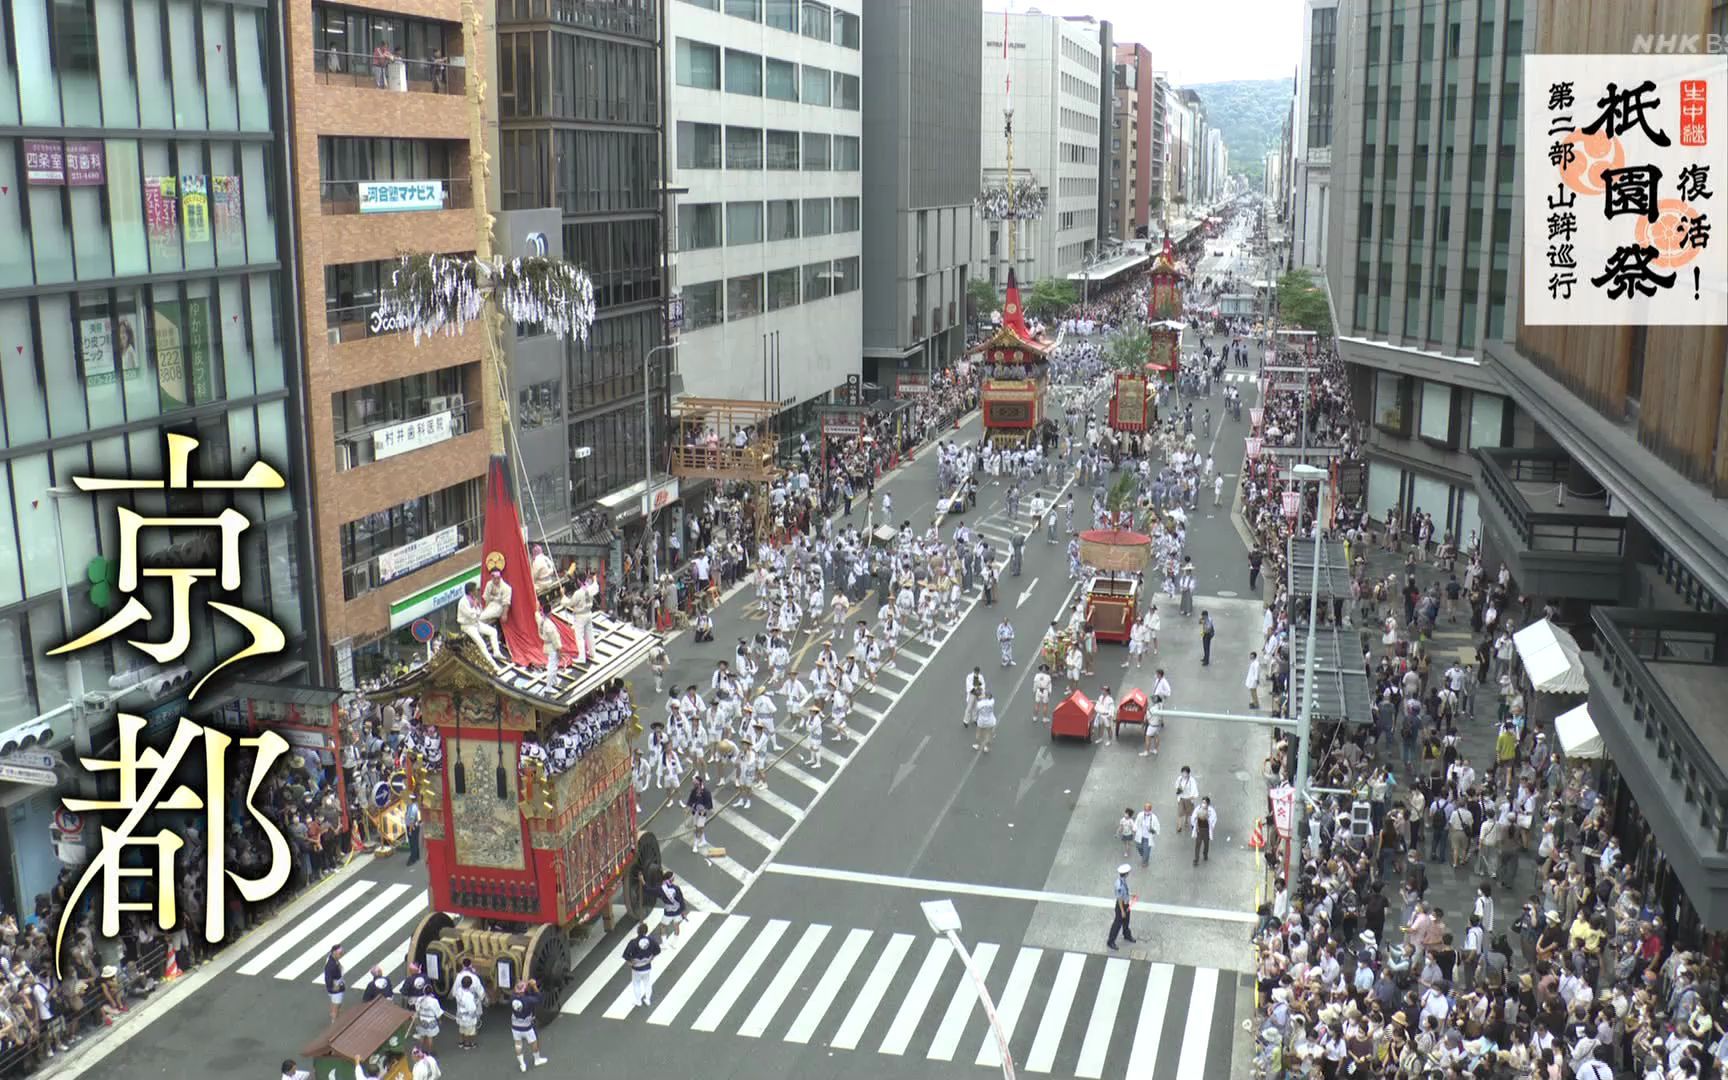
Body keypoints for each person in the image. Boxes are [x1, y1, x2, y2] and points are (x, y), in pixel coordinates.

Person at [458, 581, 506, 667]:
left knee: (493, 631)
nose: (477, 591)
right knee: (482, 643)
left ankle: (496, 652)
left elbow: (479, 612)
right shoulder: (463, 602)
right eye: (475, 590)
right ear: (471, 591)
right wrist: (476, 610)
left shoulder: (474, 599)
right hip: (467, 626)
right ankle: (493, 665)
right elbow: (471, 615)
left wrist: (476, 609)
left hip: (476, 623)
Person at [508, 979, 548, 1072]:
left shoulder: (512, 998)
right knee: (533, 1043)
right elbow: (539, 998)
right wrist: (534, 986)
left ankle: (522, 1064)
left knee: (518, 1045)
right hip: (527, 1026)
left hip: (515, 1026)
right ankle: (537, 1059)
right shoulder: (528, 1000)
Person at [622, 923, 661, 1009]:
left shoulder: (633, 942)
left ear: (638, 931)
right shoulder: (651, 940)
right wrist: (651, 958)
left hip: (636, 968)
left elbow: (626, 955)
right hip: (647, 966)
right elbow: (658, 950)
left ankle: (638, 1001)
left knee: (636, 984)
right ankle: (648, 999)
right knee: (647, 983)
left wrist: (630, 962)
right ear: (646, 931)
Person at [1107, 864, 1136, 950]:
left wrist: (1130, 895)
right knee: (1117, 924)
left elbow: (1124, 893)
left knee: (1126, 921)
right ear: (1126, 874)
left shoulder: (1122, 881)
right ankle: (1111, 941)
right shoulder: (1119, 884)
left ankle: (1127, 935)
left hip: (1126, 903)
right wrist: (1122, 911)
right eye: (1128, 873)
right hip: (1121, 906)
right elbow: (1119, 898)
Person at [659, 870, 688, 950]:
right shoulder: (676, 888)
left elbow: (652, 891)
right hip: (677, 912)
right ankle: (674, 943)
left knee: (662, 926)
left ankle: (664, 943)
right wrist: (683, 912)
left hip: (668, 913)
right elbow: (681, 901)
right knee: (676, 925)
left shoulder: (662, 888)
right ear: (672, 879)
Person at [685, 773, 713, 854]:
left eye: (695, 783)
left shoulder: (706, 792)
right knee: (697, 827)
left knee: (698, 828)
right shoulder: (694, 790)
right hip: (695, 812)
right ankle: (703, 840)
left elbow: (708, 804)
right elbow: (691, 800)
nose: (694, 785)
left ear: (699, 783)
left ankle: (695, 845)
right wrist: (688, 809)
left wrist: (704, 810)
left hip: (702, 814)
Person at [1191, 795, 1217, 865]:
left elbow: (1214, 819)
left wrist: (1208, 819)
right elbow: (1193, 817)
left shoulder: (1211, 811)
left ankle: (1205, 854)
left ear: (1208, 804)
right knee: (1197, 845)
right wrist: (1193, 825)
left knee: (1206, 844)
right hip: (1199, 830)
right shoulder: (1198, 809)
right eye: (1202, 802)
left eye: (1205, 802)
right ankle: (1196, 859)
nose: (1203, 804)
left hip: (1206, 831)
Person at [323, 944, 345, 1023]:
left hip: (335, 986)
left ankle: (333, 1013)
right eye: (340, 953)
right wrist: (333, 986)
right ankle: (334, 1021)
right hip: (336, 989)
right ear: (334, 952)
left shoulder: (331, 958)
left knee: (334, 1003)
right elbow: (328, 978)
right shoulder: (331, 965)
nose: (341, 955)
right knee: (337, 1004)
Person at [1133, 803, 1160, 867]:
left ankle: (1145, 861)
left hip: (1148, 837)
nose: (1146, 812)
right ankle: (1144, 855)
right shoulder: (1140, 815)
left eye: (1148, 810)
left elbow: (1157, 826)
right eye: (1145, 810)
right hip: (1140, 836)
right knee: (1139, 847)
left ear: (1150, 810)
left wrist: (1154, 830)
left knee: (1146, 850)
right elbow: (1136, 822)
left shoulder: (1154, 817)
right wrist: (1134, 828)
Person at [972, 688, 998, 754]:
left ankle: (977, 745)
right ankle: (986, 747)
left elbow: (978, 706)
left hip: (982, 721)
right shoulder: (992, 702)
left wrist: (979, 697)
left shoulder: (979, 704)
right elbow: (990, 697)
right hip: (990, 720)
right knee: (989, 735)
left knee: (978, 733)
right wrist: (984, 696)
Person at [1174, 767, 1198, 834]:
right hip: (1181, 798)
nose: (1184, 774)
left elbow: (1194, 789)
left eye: (1185, 773)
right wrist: (1179, 788)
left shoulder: (1191, 780)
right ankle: (1179, 826)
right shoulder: (1180, 778)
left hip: (1188, 798)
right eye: (1183, 773)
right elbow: (1176, 785)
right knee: (1180, 812)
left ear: (1188, 773)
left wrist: (1193, 796)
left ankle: (1186, 821)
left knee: (1188, 811)